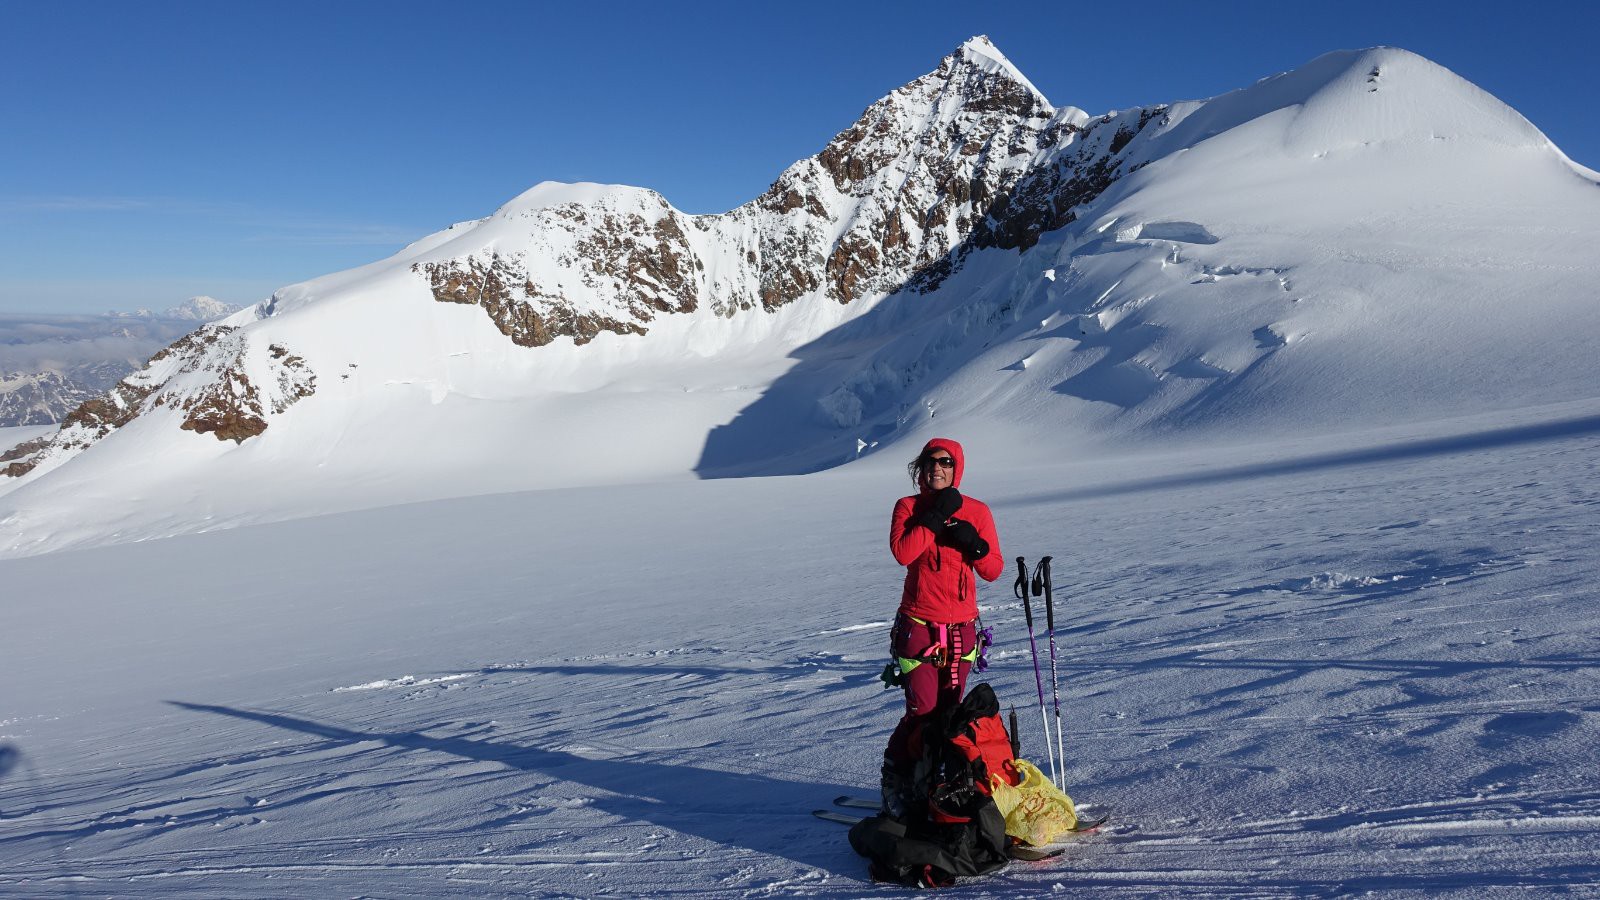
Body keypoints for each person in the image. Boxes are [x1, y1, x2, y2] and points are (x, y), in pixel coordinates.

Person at [882, 437, 1004, 814]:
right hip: (918, 626)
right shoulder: (908, 507)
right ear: (920, 469)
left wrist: (975, 545)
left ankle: (941, 786)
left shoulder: (978, 511)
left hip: (962, 630)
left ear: (957, 467)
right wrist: (933, 518)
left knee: (952, 713)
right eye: (930, 462)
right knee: (922, 711)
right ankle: (897, 782)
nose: (937, 468)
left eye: (946, 462)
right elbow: (903, 553)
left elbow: (993, 569)